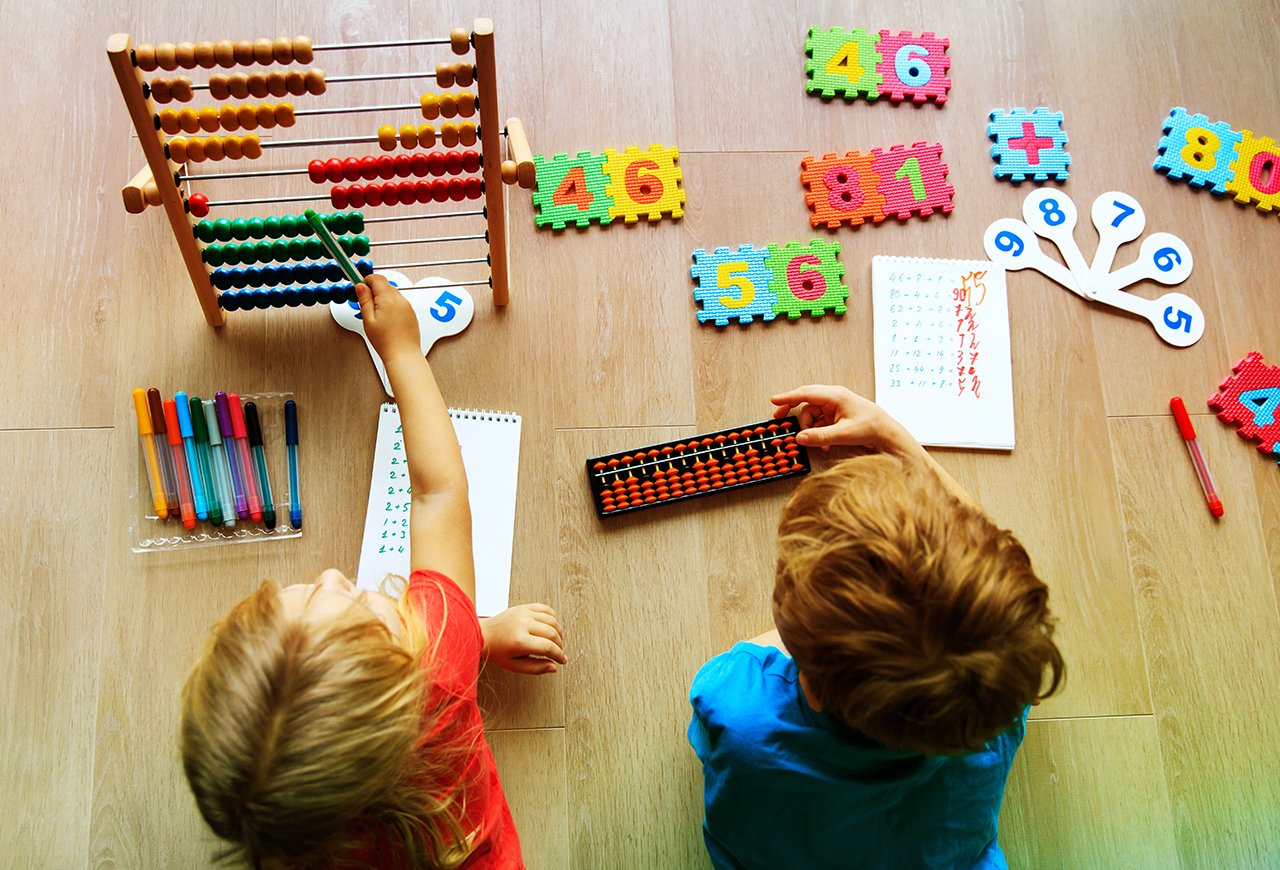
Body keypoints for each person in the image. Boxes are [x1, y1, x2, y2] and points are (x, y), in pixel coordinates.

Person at [180, 274, 566, 869]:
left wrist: (478, 637)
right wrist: (403, 351)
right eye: (355, 603)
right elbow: (438, 492)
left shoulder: (293, 834)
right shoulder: (437, 656)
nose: (335, 576)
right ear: (411, 669)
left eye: (309, 590)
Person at [687, 384, 1065, 869]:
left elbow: (732, 683)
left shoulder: (738, 706)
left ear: (811, 685)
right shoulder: (996, 701)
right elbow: (998, 599)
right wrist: (896, 440)